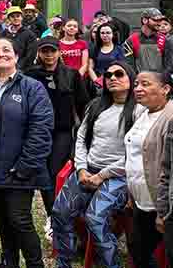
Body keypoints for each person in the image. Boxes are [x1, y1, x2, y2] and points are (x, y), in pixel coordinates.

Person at [0, 38, 53, 268]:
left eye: (6, 50)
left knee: (20, 220)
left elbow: (42, 129)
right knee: (4, 220)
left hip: (17, 169)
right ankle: (9, 262)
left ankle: (35, 264)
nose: (1, 54)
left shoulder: (31, 87)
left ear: (16, 56)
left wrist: (25, 166)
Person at [52, 60, 139, 268]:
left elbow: (135, 152)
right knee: (60, 212)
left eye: (119, 74)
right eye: (108, 75)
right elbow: (81, 139)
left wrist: (103, 175)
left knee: (95, 218)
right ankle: (64, 263)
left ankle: (112, 264)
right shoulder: (95, 105)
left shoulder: (139, 111)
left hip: (119, 176)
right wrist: (81, 168)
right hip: (88, 170)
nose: (112, 79)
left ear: (131, 78)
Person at [22, 37, 92, 228]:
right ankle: (51, 214)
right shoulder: (30, 75)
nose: (49, 55)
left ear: (59, 53)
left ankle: (57, 215)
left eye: (52, 51)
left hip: (62, 131)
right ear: (39, 53)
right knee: (42, 174)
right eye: (45, 51)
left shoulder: (70, 75)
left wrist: (85, 131)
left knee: (54, 172)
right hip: (37, 131)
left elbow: (83, 104)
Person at [125, 70, 173, 268]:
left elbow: (168, 169)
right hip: (140, 202)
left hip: (160, 207)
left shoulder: (169, 118)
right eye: (136, 84)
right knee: (138, 251)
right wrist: (132, 196)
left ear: (165, 89)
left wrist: (163, 213)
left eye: (145, 84)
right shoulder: (142, 113)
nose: (138, 88)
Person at [125, 7, 168, 73]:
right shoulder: (131, 40)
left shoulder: (164, 40)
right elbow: (129, 65)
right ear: (144, 20)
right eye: (155, 20)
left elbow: (168, 65)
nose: (159, 23)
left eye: (160, 20)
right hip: (140, 80)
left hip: (159, 80)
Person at [89, 23, 123, 89]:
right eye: (102, 33)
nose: (105, 35)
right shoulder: (94, 49)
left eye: (108, 33)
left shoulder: (119, 49)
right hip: (97, 84)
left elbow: (122, 67)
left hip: (114, 81)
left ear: (113, 34)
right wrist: (97, 81)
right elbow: (90, 68)